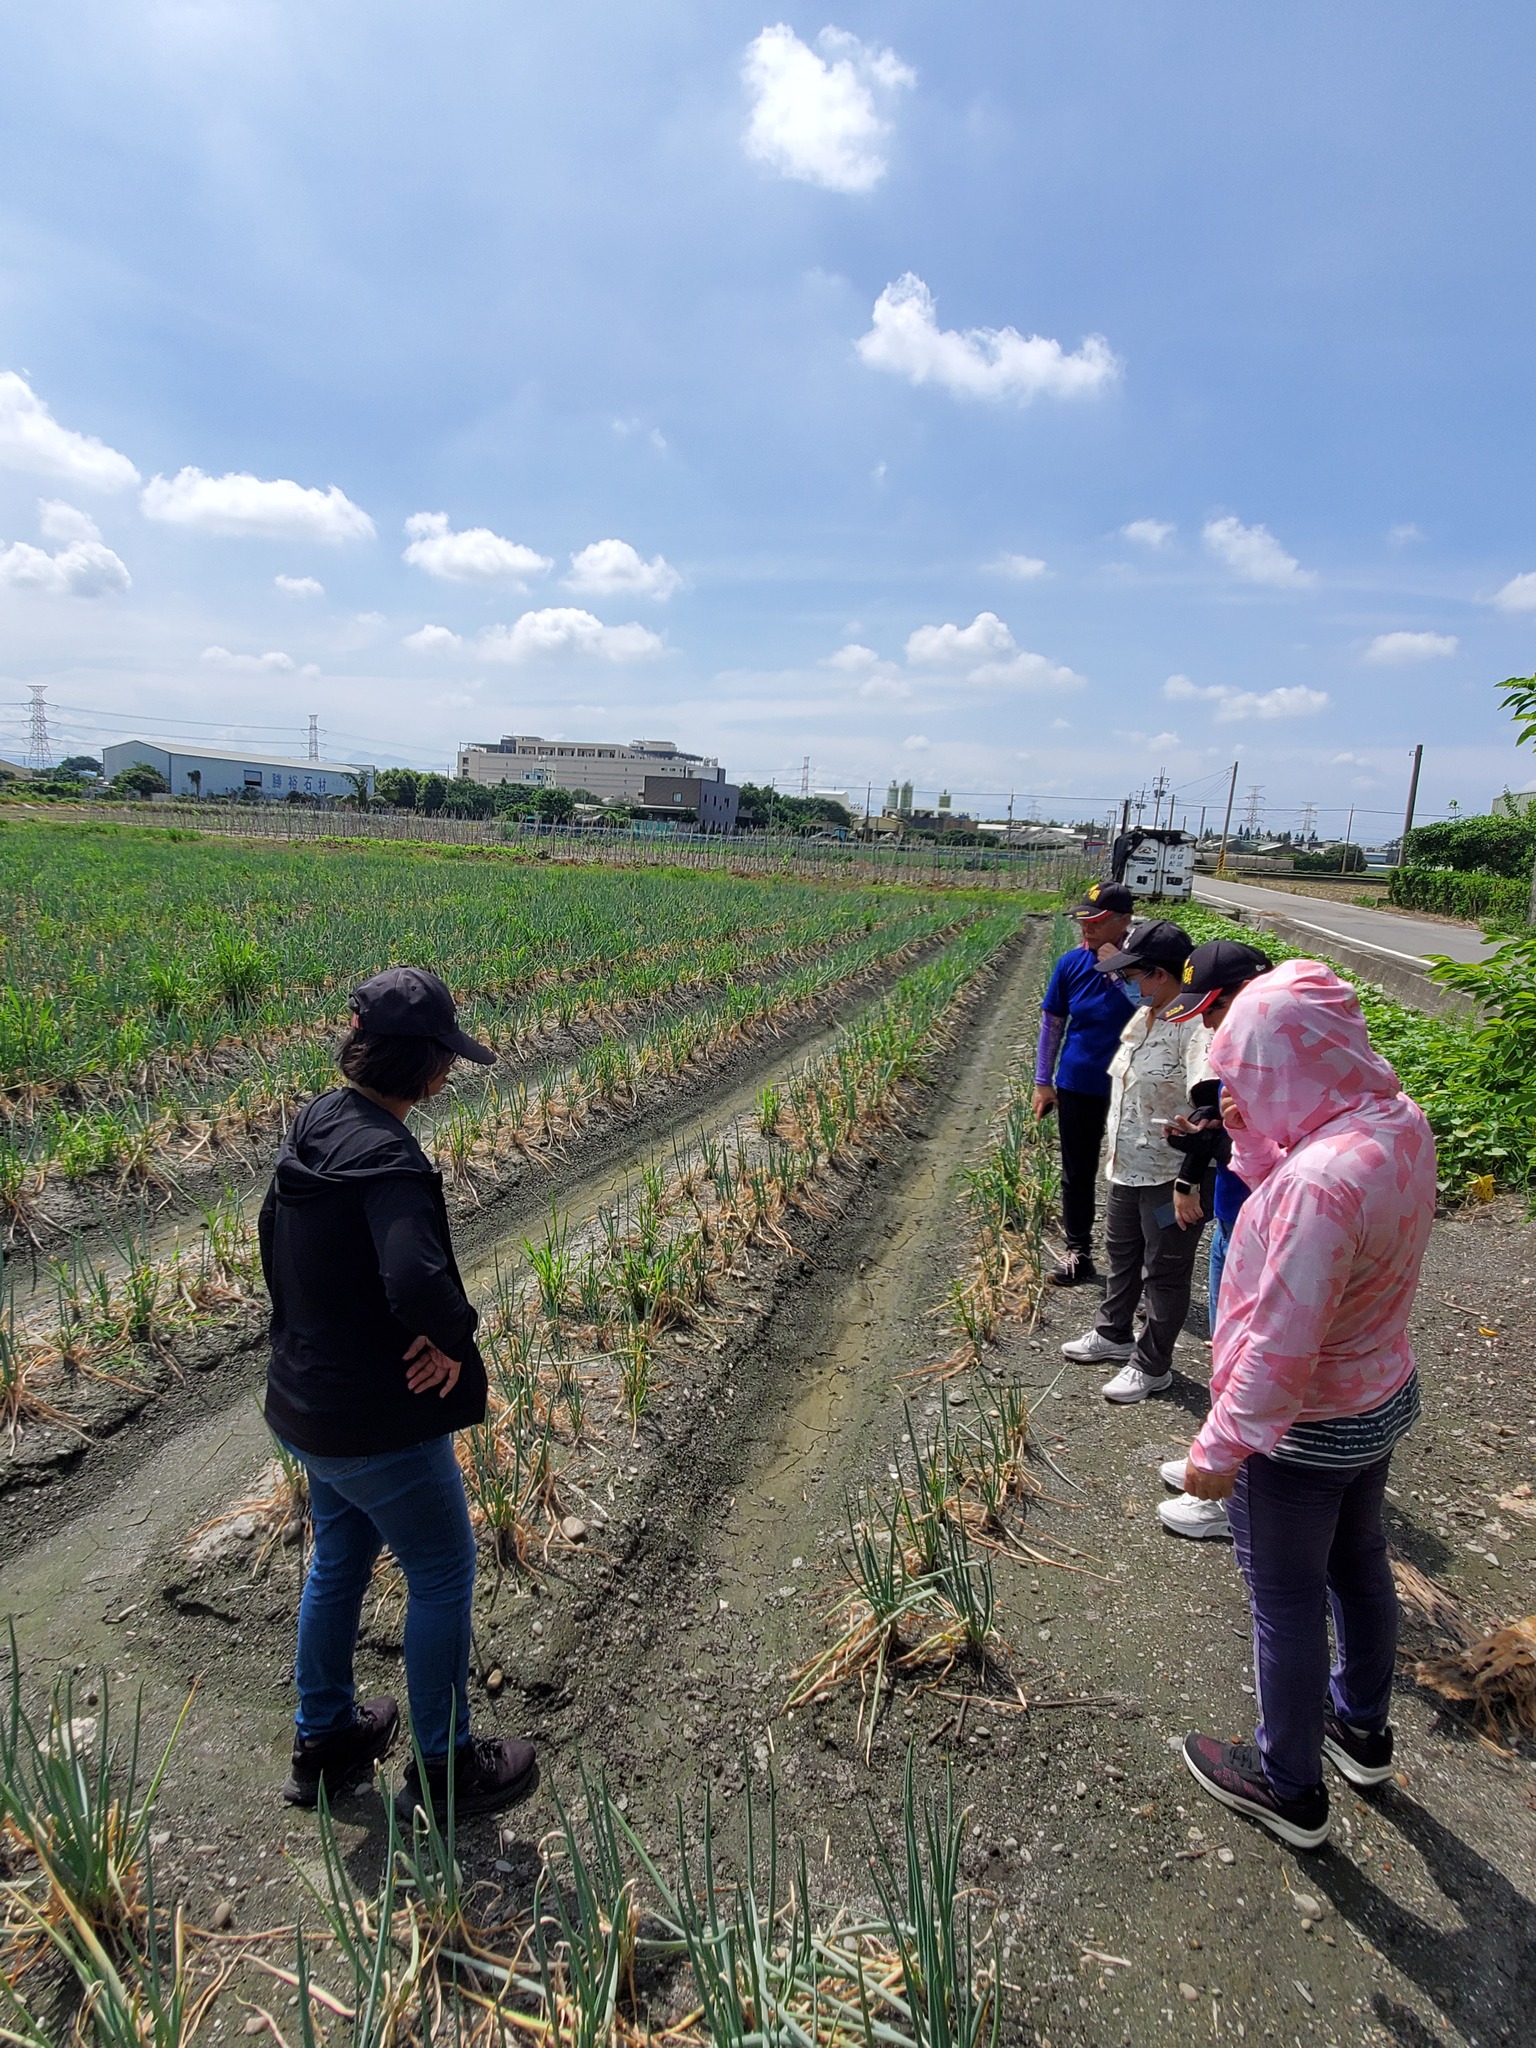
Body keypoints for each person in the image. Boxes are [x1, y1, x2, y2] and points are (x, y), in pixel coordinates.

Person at [260, 966, 538, 1824]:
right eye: (445, 1059)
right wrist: (452, 1341)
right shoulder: (391, 1162)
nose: (449, 1072)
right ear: (428, 1070)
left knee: (340, 1555)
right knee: (444, 1571)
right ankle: (448, 1765)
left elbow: (281, 1240)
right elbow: (415, 1279)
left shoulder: (318, 1122)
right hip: (374, 1422)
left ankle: (327, 1739)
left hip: (303, 1404)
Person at [1177, 960, 1436, 1850]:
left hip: (1306, 1425)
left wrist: (1220, 1447)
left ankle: (1289, 1786)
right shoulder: (1393, 1124)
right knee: (1359, 1564)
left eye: (1250, 1076)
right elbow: (1284, 1176)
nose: (1238, 1094)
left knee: (1284, 1597)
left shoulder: (1319, 1185)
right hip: (1377, 1395)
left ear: (1294, 1065)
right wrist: (1251, 1136)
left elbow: (1281, 1346)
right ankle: (1361, 1728)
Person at [1060, 920, 1213, 1402]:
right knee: (1121, 1254)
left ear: (1163, 976)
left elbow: (1209, 1112)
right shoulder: (1144, 1017)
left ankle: (1152, 1365)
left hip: (1170, 1178)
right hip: (1128, 1164)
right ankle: (1113, 1334)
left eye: (1134, 975)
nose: (1126, 983)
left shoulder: (1194, 1032)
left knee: (1164, 1269)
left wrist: (1190, 1182)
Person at [1151, 940, 1274, 1539]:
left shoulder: (1285, 1061)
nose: (1205, 1021)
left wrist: (1216, 1145)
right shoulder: (1244, 1052)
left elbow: (1282, 1152)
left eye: (1213, 1008)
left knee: (1256, 1357)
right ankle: (1217, 1458)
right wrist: (1205, 1145)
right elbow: (1242, 1136)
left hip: (1269, 1229)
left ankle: (1235, 1494)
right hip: (1233, 1215)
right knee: (1227, 1351)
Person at [1033, 881, 1139, 1285]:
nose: (1087, 930)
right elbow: (1053, 1022)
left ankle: (1138, 1267)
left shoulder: (1143, 964)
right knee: (1077, 1171)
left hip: (1133, 1087)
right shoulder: (1070, 964)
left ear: (1123, 921)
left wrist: (1119, 972)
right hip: (1079, 1081)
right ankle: (1078, 1250)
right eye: (1083, 921)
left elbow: (1158, 1011)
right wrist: (1043, 1081)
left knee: (1133, 1175)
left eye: (1096, 922)